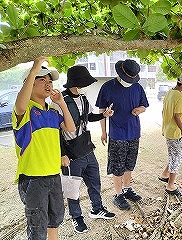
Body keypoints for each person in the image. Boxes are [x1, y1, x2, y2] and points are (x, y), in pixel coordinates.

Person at [12, 56, 76, 240]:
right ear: (30, 83)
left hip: (53, 175)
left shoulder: (53, 112)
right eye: (42, 80)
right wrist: (34, 70)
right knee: (37, 227)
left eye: (50, 81)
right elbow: (20, 104)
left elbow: (70, 128)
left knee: (54, 219)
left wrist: (61, 102)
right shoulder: (25, 111)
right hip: (33, 178)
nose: (48, 84)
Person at [57, 65, 116, 233]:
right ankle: (76, 217)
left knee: (94, 181)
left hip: (87, 148)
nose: (87, 84)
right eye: (84, 81)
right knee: (72, 187)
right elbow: (56, 132)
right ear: (76, 82)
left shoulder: (82, 98)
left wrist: (104, 115)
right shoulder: (60, 101)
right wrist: (62, 154)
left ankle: (97, 209)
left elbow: (89, 116)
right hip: (71, 152)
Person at [95, 59, 149, 210]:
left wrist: (139, 110)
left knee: (129, 164)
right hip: (117, 134)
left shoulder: (137, 87)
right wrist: (103, 131)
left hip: (134, 132)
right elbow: (101, 110)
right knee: (118, 166)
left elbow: (144, 105)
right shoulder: (108, 87)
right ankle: (118, 194)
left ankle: (127, 189)